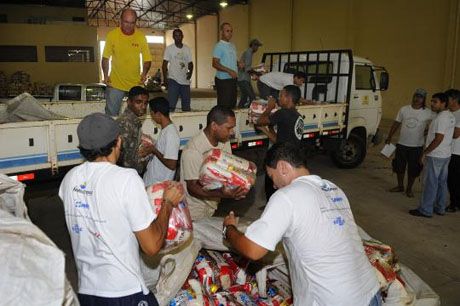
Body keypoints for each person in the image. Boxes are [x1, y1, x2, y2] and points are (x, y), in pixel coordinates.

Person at [222, 142, 381, 306]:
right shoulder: (333, 188)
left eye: (271, 177)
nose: (274, 185)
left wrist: (229, 229)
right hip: (370, 291)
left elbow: (253, 250)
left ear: (283, 167)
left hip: (335, 300)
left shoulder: (287, 196)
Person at [59, 112, 184, 305]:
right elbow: (151, 246)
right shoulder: (127, 179)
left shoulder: (69, 180)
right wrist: (168, 203)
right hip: (124, 291)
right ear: (118, 142)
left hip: (86, 291)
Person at [180, 105, 248, 220]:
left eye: (233, 128)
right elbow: (192, 188)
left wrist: (238, 184)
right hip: (194, 209)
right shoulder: (193, 150)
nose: (232, 132)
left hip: (212, 205)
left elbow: (228, 169)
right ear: (214, 126)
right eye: (228, 128)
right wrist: (224, 194)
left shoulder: (224, 142)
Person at [410, 92, 456, 217]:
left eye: (435, 102)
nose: (432, 104)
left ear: (443, 103)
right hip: (445, 154)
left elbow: (439, 138)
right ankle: (440, 207)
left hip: (436, 155)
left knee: (430, 183)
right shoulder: (450, 116)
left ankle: (425, 210)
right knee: (441, 182)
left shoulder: (441, 118)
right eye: (432, 101)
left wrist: (425, 152)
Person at [255, 85, 304, 201]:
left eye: (281, 95)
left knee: (272, 191)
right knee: (286, 192)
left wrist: (269, 107)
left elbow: (260, 121)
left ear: (288, 98)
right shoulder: (297, 115)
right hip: (292, 160)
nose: (278, 98)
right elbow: (280, 140)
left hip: (280, 161)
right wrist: (266, 130)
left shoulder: (283, 113)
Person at [102, 9, 152, 116]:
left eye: (132, 23)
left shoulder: (141, 37)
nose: (129, 25)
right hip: (115, 83)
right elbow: (105, 58)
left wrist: (144, 74)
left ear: (135, 22)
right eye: (126, 22)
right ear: (120, 20)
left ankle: (135, 133)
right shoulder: (112, 35)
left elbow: (147, 59)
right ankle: (112, 133)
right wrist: (105, 75)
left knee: (137, 114)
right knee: (111, 115)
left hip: (135, 83)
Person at [385, 88, 432, 198]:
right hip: (402, 143)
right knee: (399, 166)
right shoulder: (404, 109)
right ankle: (400, 186)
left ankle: (409, 189)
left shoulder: (428, 112)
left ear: (424, 99)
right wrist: (389, 136)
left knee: (413, 168)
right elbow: (396, 123)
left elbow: (436, 123)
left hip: (417, 146)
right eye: (415, 96)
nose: (417, 99)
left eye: (420, 97)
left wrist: (428, 131)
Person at [143, 97, 180, 186]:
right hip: (153, 181)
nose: (151, 117)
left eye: (151, 113)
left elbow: (172, 164)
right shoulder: (166, 130)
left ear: (158, 114)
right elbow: (164, 150)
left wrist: (154, 150)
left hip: (158, 185)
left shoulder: (171, 133)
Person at [117, 86, 153, 175]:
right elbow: (121, 156)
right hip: (126, 175)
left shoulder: (133, 121)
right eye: (139, 102)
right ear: (129, 102)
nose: (143, 106)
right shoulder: (125, 123)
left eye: (145, 103)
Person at [163, 28, 193, 112]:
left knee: (186, 107)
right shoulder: (169, 49)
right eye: (176, 36)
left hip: (185, 81)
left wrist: (190, 73)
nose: (178, 37)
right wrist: (165, 79)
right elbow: (164, 64)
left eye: (179, 35)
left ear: (182, 36)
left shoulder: (187, 49)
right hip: (173, 80)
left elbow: (190, 63)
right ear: (173, 37)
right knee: (171, 106)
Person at [212, 23, 238, 109]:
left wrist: (238, 63)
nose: (230, 33)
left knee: (232, 104)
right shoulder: (219, 46)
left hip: (232, 80)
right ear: (222, 32)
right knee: (224, 106)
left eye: (231, 31)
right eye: (227, 31)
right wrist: (229, 71)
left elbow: (231, 60)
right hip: (223, 81)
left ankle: (229, 122)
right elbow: (215, 63)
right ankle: (222, 122)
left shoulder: (232, 45)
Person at [237, 39, 262, 108]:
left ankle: (240, 110)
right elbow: (247, 69)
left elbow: (247, 67)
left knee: (244, 97)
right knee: (252, 98)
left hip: (241, 78)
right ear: (253, 45)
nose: (257, 49)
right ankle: (248, 111)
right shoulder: (249, 53)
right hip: (243, 78)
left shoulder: (247, 52)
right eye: (257, 46)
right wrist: (257, 74)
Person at [446, 89, 460, 212]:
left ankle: (454, 204)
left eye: (448, 99)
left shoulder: (459, 114)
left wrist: (440, 133)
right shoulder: (448, 113)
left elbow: (456, 134)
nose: (446, 101)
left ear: (454, 100)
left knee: (453, 179)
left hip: (456, 152)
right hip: (448, 150)